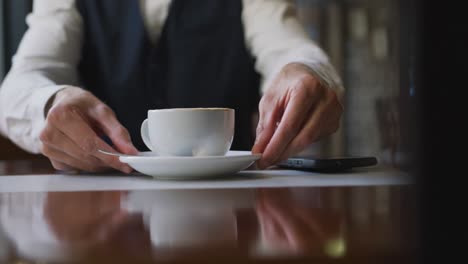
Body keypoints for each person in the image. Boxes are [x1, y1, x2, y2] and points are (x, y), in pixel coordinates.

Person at [0, 0, 343, 173]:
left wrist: (308, 73)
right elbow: (19, 84)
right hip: (105, 215)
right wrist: (51, 102)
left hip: (234, 213)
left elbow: (288, 48)